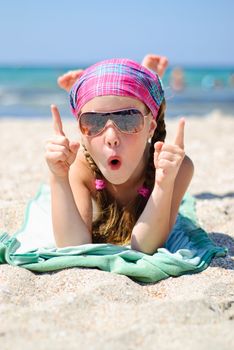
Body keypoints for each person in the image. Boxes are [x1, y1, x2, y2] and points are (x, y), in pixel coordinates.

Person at [45, 55, 194, 255]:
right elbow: (73, 246)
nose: (112, 138)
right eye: (94, 122)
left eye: (128, 120)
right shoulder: (80, 166)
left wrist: (163, 185)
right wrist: (58, 177)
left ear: (151, 127)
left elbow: (145, 246)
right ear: (81, 130)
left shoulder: (177, 167)